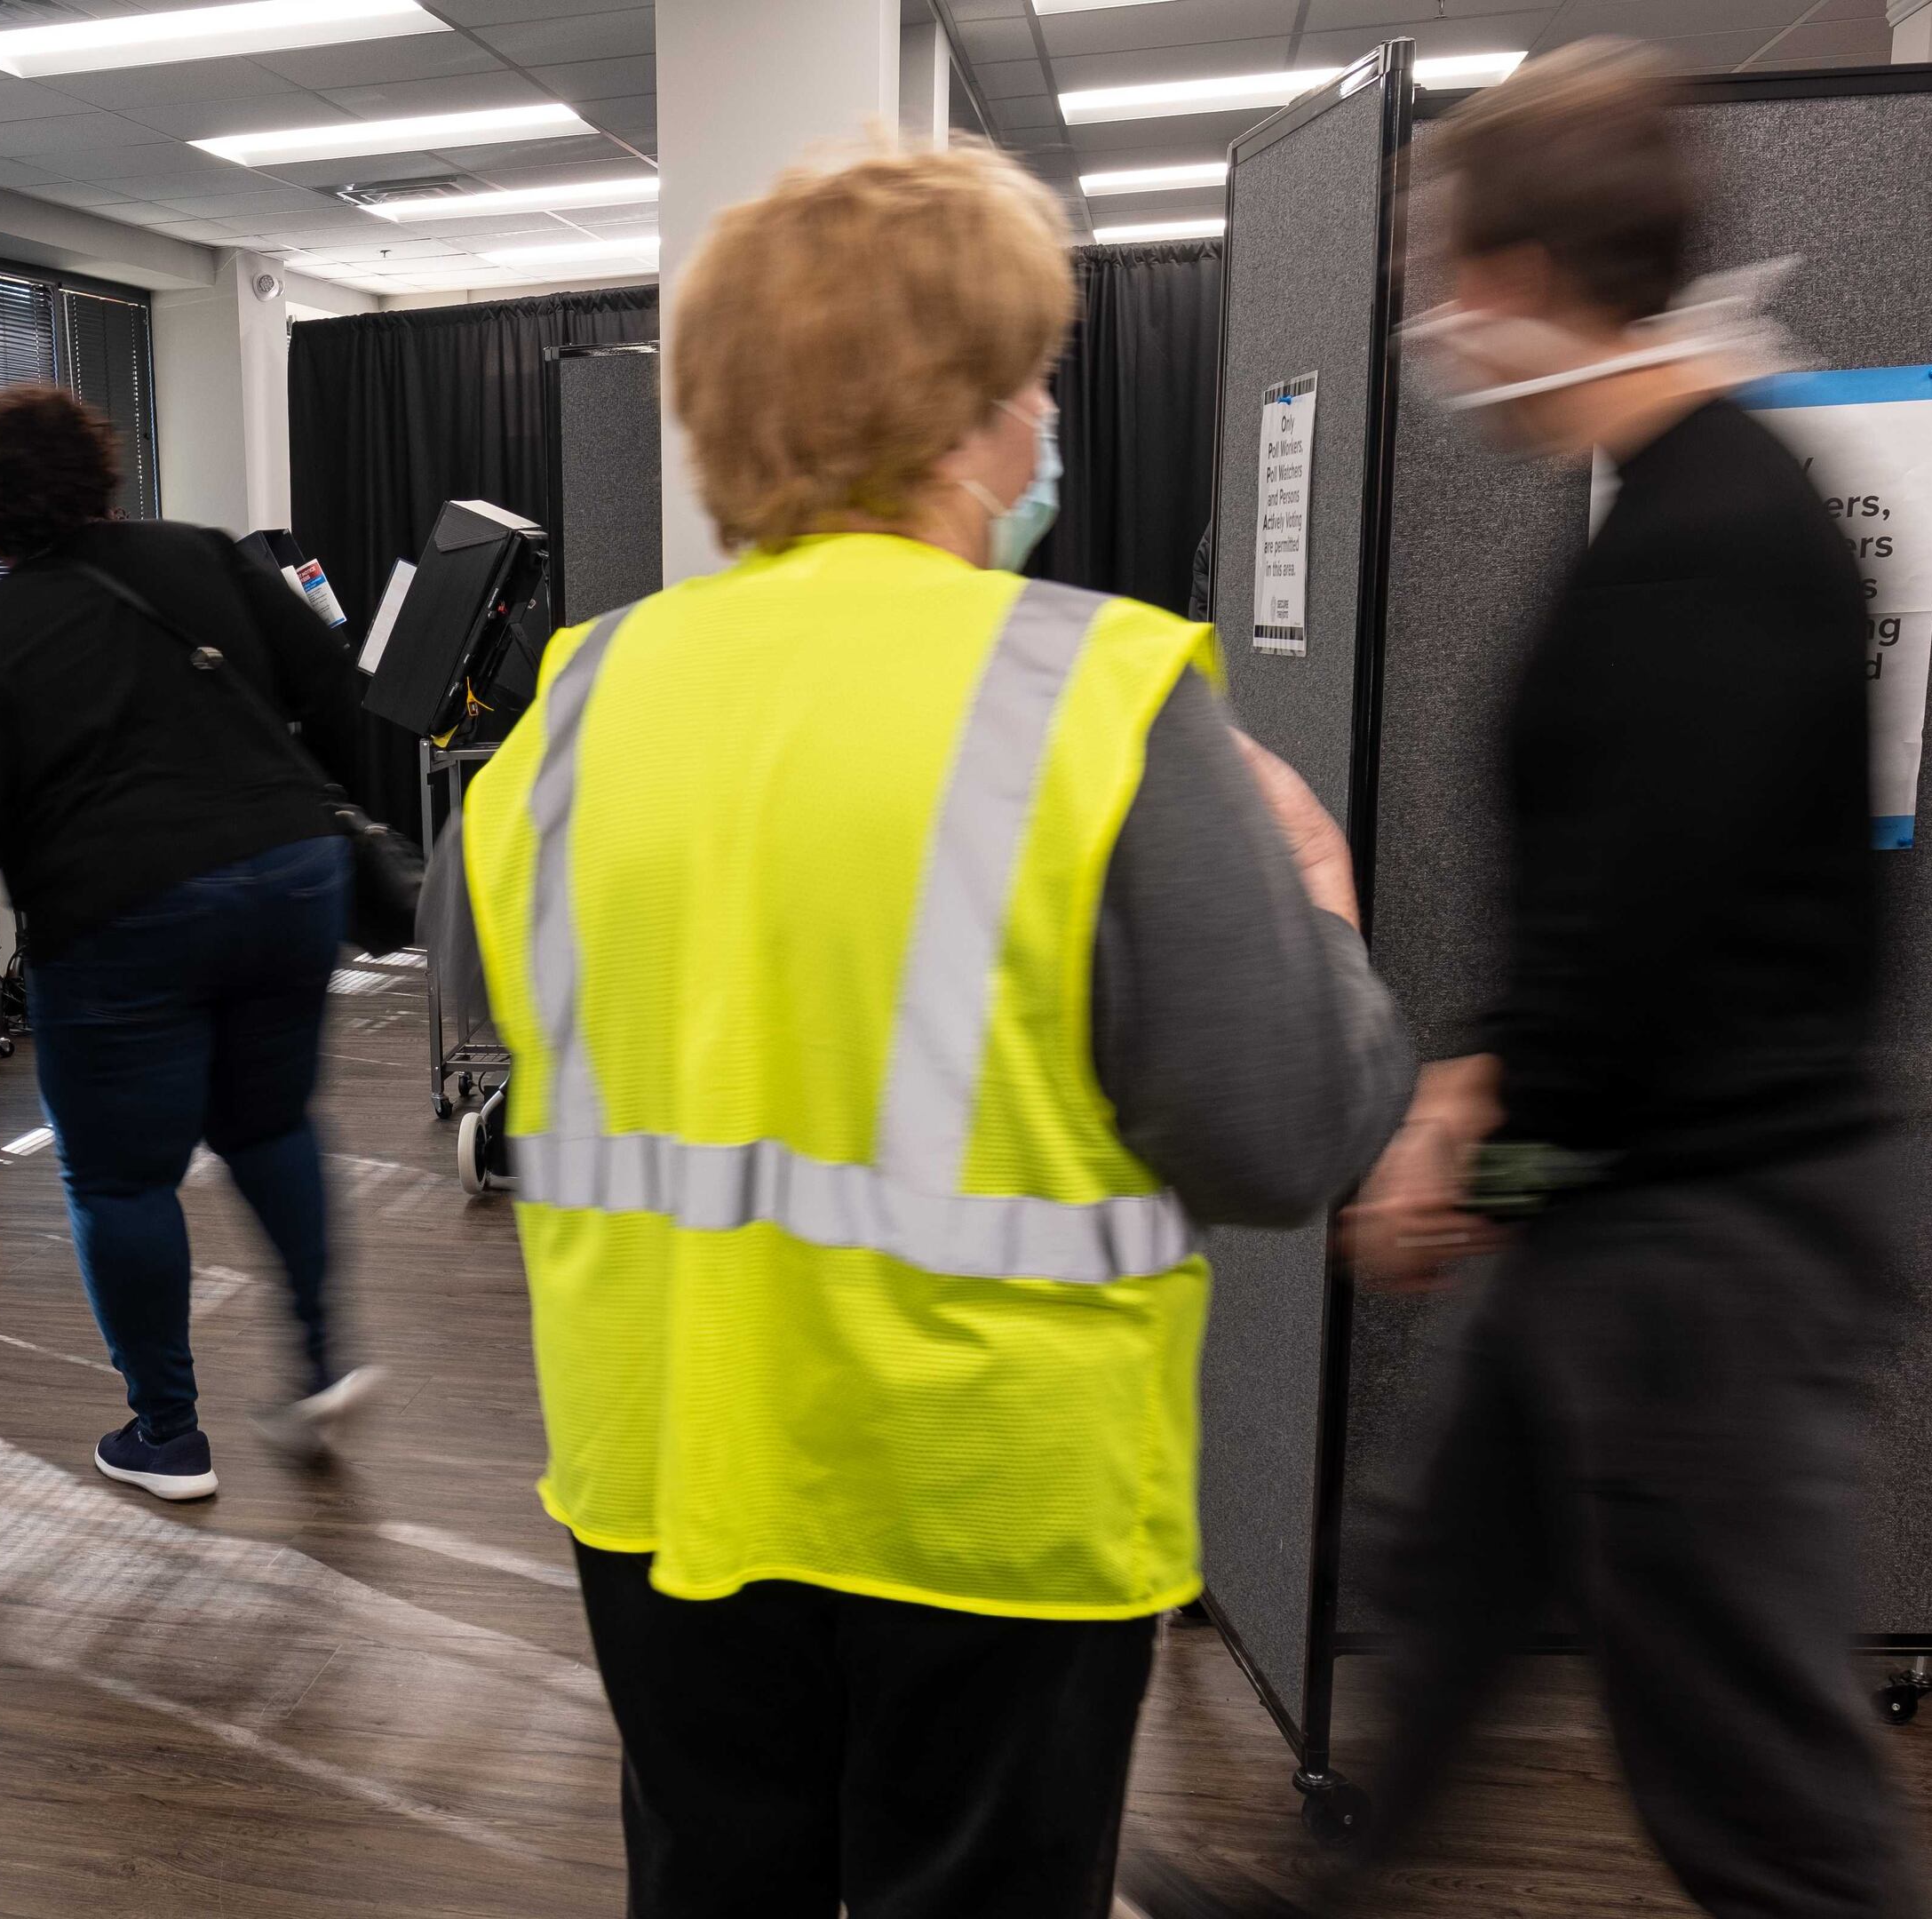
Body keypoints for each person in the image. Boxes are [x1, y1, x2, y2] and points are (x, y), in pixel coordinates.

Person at [445, 142, 1412, 1918]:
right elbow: (1280, 1134)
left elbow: (499, 1031)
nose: (1046, 419)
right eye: (1032, 377)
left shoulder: (574, 708)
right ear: (965, 413)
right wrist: (1327, 909)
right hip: (989, 1510)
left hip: (663, 1476)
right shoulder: (1098, 693)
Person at [1130, 43, 1922, 1919]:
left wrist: (1471, 1150)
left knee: (1751, 1769)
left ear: (1531, 275)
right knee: (1455, 1580)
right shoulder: (1692, 498)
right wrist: (1490, 1100)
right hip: (1646, 1202)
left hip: (1713, 1235)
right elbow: (1631, 894)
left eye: (1442, 279)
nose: (1433, 325)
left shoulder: (1713, 538)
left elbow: (1649, 959)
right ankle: (1336, 1893)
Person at [0, 383, 385, 1500]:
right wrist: (325, 821)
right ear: (100, 469)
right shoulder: (207, 554)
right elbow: (336, 685)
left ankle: (167, 1435)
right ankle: (318, 1363)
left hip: (120, 914)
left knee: (120, 1180)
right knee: (269, 1126)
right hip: (287, 878)